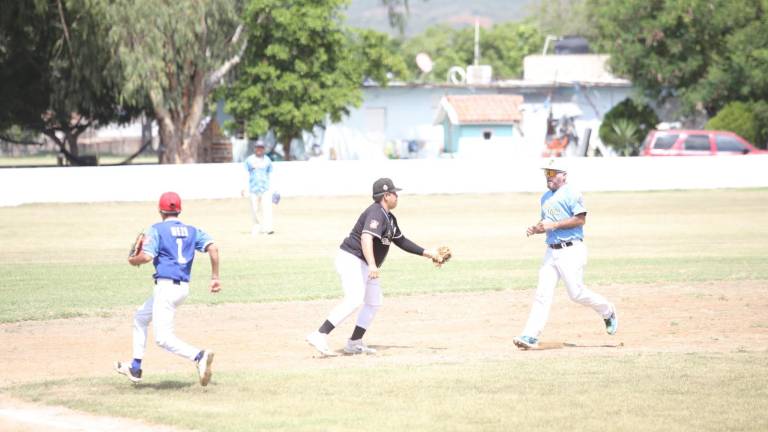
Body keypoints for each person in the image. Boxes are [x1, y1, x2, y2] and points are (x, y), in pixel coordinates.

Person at [306, 178, 444, 356]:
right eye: (394, 193)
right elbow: (366, 238)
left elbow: (401, 241)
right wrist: (372, 264)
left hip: (363, 263)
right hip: (352, 259)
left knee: (374, 301)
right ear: (386, 196)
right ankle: (319, 334)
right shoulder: (376, 212)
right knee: (355, 299)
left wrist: (429, 253)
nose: (397, 196)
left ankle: (354, 342)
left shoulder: (389, 218)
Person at [115, 192, 221, 385]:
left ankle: (199, 356)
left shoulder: (157, 229)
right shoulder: (192, 230)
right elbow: (213, 248)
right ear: (179, 210)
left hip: (166, 288)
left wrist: (133, 260)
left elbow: (146, 257)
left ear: (160, 210)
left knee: (163, 339)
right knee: (140, 317)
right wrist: (215, 277)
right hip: (181, 288)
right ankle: (135, 367)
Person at [513, 159, 617, 350]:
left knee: (576, 294)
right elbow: (547, 221)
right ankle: (530, 335)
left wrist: (554, 225)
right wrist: (537, 228)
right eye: (546, 173)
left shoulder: (572, 193)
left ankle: (607, 310)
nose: (548, 176)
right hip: (551, 251)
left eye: (552, 173)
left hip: (572, 250)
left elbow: (580, 219)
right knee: (542, 294)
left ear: (564, 175)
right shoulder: (545, 197)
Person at [244, 140, 274, 235]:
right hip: (253, 188)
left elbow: (270, 174)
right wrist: (244, 187)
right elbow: (245, 174)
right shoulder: (249, 160)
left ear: (264, 149)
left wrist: (273, 188)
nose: (259, 149)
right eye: (257, 147)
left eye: (261, 147)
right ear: (255, 148)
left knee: (267, 208)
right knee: (255, 209)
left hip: (265, 188)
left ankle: (267, 228)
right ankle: (256, 227)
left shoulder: (267, 160)